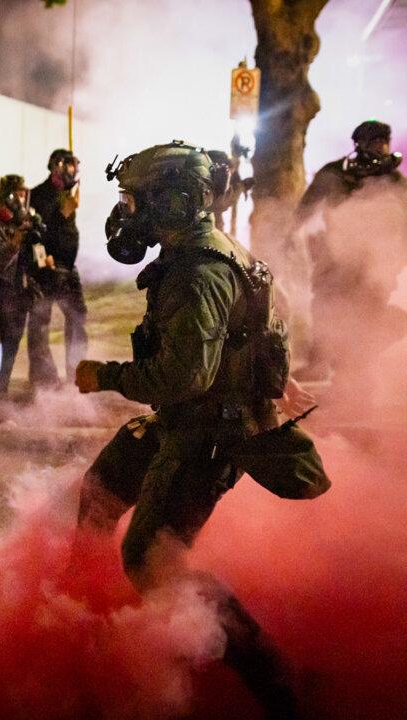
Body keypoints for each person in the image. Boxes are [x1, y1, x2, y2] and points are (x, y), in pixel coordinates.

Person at [73, 141, 330, 717]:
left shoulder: (198, 272)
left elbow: (186, 375)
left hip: (206, 434)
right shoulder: (205, 254)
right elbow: (260, 326)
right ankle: (80, 620)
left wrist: (107, 375)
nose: (126, 211)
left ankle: (279, 683)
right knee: (102, 486)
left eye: (134, 199)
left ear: (174, 202)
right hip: (187, 420)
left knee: (153, 561)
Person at [294, 120, 405, 381]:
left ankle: (358, 365)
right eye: (375, 141)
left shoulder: (395, 182)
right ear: (360, 144)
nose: (382, 147)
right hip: (333, 259)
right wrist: (305, 238)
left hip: (375, 263)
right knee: (324, 306)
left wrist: (394, 259)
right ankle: (318, 362)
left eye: (384, 141)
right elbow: (304, 211)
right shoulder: (335, 173)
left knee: (369, 311)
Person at [0, 174, 42, 399]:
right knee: (1, 346)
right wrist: (16, 241)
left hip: (16, 291)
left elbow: (30, 258)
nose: (23, 199)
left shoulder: (20, 222)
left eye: (24, 193)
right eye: (19, 193)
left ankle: (0, 394)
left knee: (12, 346)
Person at [28, 148, 87, 386]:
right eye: (68, 167)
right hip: (46, 268)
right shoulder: (38, 195)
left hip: (68, 267)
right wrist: (42, 262)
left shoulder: (68, 193)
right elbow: (36, 233)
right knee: (40, 321)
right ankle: (43, 377)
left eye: (75, 166)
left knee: (78, 315)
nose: (72, 172)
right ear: (56, 168)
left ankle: (76, 372)